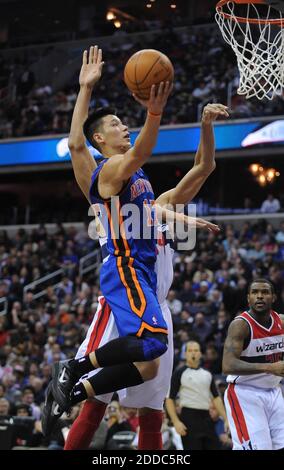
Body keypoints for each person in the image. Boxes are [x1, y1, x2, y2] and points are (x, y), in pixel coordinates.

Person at [42, 46, 229, 445]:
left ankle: (73, 385)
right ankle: (74, 373)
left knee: (150, 391)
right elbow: (78, 145)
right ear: (100, 138)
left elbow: (202, 168)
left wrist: (205, 127)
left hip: (150, 292)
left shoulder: (146, 193)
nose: (124, 127)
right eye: (116, 124)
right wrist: (88, 90)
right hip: (124, 285)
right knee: (102, 402)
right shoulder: (109, 172)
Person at [222, 278, 284, 450]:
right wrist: (270, 368)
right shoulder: (240, 325)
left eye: (265, 292)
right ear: (248, 298)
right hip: (245, 393)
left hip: (274, 392)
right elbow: (227, 365)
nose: (260, 296)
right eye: (255, 292)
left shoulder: (281, 322)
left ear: (274, 297)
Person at [166, 341, 228, 450]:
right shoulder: (179, 373)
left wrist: (226, 418)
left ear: (200, 354)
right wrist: (176, 421)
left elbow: (216, 397)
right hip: (188, 417)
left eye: (196, 350)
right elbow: (169, 399)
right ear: (185, 354)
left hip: (206, 417)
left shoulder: (207, 373)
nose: (193, 353)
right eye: (190, 351)